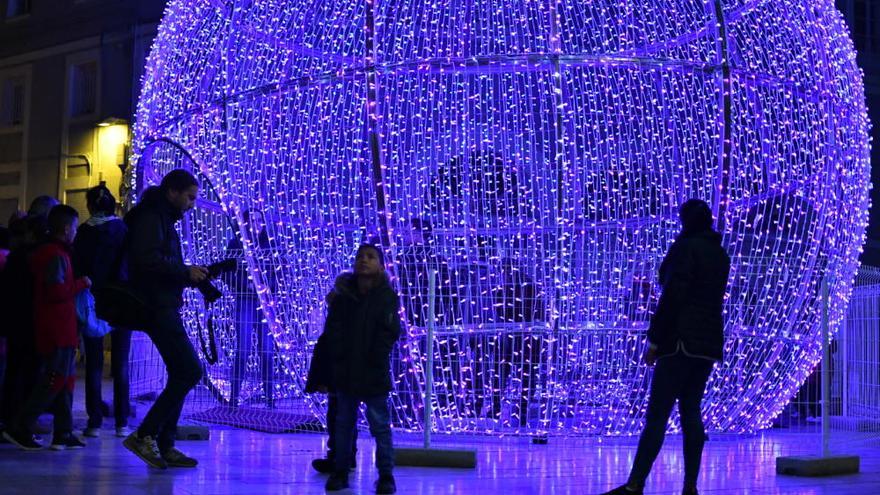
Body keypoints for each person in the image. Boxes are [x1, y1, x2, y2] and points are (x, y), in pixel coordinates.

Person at [602, 199, 730, 495]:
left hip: (679, 342)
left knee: (657, 415)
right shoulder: (719, 254)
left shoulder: (685, 249)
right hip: (707, 345)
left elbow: (673, 297)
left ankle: (635, 485)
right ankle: (690, 486)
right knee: (691, 412)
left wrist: (656, 341)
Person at [121, 169, 207, 469]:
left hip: (162, 303)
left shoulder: (160, 216)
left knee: (180, 372)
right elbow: (147, 260)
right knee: (190, 371)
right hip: (156, 306)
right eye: (189, 197)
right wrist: (184, 272)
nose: (191, 204)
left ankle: (165, 443)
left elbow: (157, 259)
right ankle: (145, 435)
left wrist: (188, 273)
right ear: (172, 191)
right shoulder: (151, 216)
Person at [3, 205, 90, 450]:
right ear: (65, 229)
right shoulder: (54, 255)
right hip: (56, 328)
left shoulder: (54, 252)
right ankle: (20, 426)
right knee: (54, 380)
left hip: (61, 327)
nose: (75, 232)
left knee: (66, 380)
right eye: (74, 227)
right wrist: (81, 283)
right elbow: (55, 292)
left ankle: (63, 432)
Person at [321, 244, 400, 494]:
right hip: (346, 372)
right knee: (344, 423)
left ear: (380, 264)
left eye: (370, 257)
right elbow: (333, 330)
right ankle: (340, 470)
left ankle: (386, 475)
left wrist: (375, 357)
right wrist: (339, 359)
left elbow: (389, 331)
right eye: (360, 257)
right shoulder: (344, 296)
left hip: (373, 371)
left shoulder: (385, 296)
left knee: (379, 425)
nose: (363, 261)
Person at [73, 185, 132, 438]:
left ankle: (94, 421)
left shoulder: (83, 232)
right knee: (120, 364)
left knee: (94, 364)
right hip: (121, 302)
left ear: (90, 206)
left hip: (91, 302)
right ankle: (121, 422)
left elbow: (77, 266)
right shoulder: (122, 229)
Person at [226, 209, 275, 408]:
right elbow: (227, 273)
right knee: (243, 349)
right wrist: (244, 286)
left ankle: (269, 398)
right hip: (244, 301)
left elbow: (281, 272)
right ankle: (234, 397)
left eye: (259, 220)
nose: (256, 224)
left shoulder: (270, 245)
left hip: (265, 304)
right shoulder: (236, 245)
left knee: (267, 350)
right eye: (251, 220)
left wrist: (267, 287)